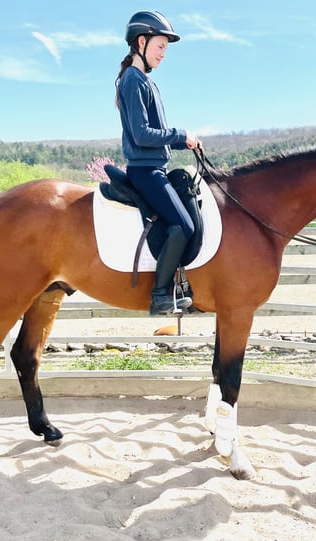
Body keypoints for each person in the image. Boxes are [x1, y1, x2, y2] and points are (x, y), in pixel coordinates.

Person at [115, 10, 202, 315]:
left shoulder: (145, 82)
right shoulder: (133, 80)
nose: (164, 54)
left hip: (155, 168)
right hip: (145, 171)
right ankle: (161, 294)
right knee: (183, 224)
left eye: (166, 48)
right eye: (160, 46)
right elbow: (142, 134)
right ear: (142, 41)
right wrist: (181, 136)